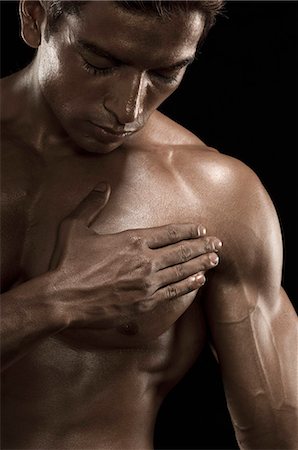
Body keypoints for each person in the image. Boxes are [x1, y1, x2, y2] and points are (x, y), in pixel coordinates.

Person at [1, 1, 297, 449]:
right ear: (34, 17)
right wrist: (55, 301)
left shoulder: (215, 193)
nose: (128, 107)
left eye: (165, 74)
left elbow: (279, 435)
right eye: (98, 63)